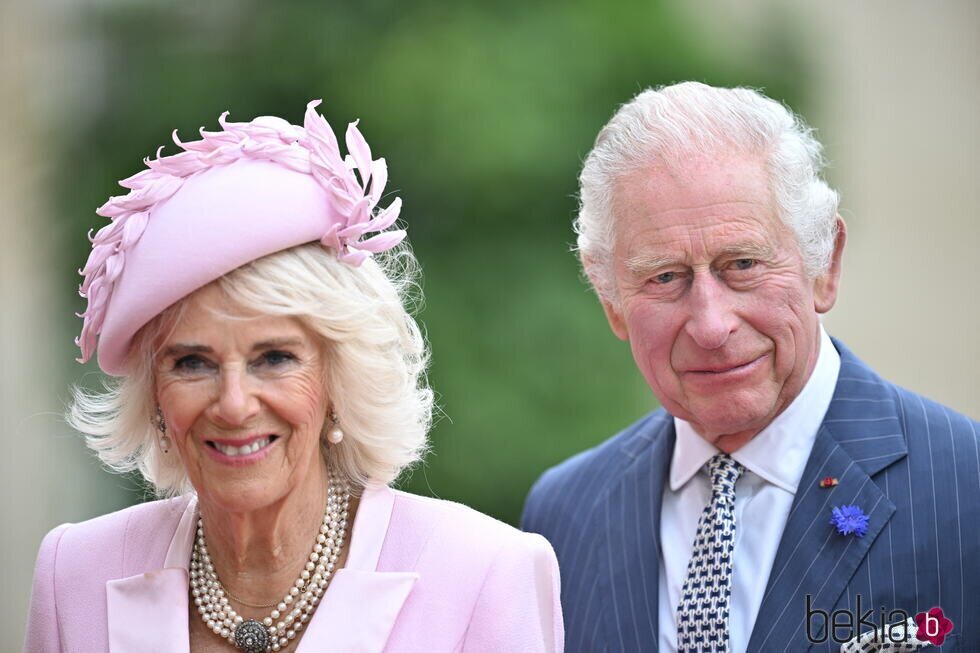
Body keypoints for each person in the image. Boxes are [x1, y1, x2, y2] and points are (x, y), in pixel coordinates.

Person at [25, 101, 563, 653]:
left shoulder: (485, 574)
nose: (233, 405)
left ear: (339, 379)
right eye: (193, 363)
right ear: (155, 399)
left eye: (274, 358)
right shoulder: (75, 575)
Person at [521, 82, 977, 652]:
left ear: (824, 265)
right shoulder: (565, 515)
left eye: (742, 264)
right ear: (611, 299)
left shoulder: (967, 485)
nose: (711, 326)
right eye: (665, 277)